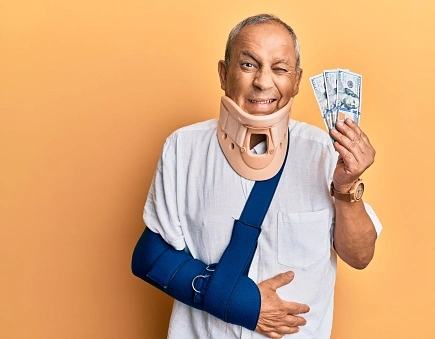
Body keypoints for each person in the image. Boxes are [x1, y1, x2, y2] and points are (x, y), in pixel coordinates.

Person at [132, 13, 382, 339]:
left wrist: (346, 187)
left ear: (296, 81)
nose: (264, 82)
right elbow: (151, 257)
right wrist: (243, 304)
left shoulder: (325, 152)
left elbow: (360, 257)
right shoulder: (183, 148)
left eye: (279, 69)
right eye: (249, 65)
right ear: (224, 73)